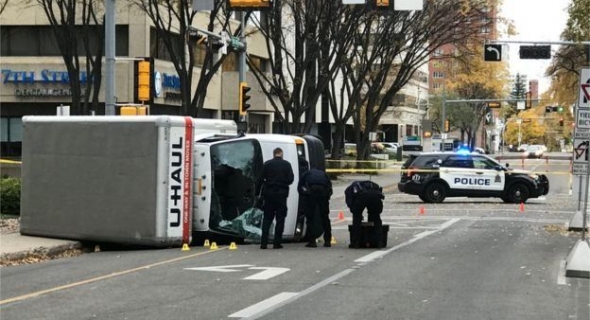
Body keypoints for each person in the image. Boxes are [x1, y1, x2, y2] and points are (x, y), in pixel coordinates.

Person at [257, 147, 294, 249]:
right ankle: (277, 242)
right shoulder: (287, 164)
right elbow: (291, 179)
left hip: (269, 194)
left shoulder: (267, 164)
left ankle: (263, 243)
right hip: (282, 194)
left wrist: (257, 193)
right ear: (281, 154)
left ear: (274, 154)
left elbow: (260, 179)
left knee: (267, 218)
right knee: (280, 219)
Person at [298, 167, 332, 248]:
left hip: (311, 192)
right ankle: (327, 241)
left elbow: (300, 187)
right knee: (325, 217)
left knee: (310, 218)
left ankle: (312, 241)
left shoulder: (306, 174)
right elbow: (330, 187)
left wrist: (304, 198)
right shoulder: (324, 174)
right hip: (323, 192)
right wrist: (327, 197)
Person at [344, 180, 385, 249]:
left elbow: (350, 203)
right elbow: (379, 203)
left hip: (362, 196)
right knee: (376, 218)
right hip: (375, 196)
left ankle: (356, 243)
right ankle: (378, 242)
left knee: (356, 219)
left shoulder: (349, 190)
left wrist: (357, 212)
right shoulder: (374, 185)